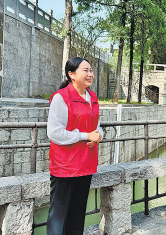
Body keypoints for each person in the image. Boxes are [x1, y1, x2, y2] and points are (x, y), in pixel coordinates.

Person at [46, 57, 103, 235]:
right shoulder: (61, 98)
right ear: (71, 74)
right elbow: (54, 133)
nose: (90, 74)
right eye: (85, 70)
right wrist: (85, 135)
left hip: (86, 164)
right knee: (58, 216)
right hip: (65, 166)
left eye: (91, 70)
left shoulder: (92, 97)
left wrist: (99, 134)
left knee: (78, 215)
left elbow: (97, 125)